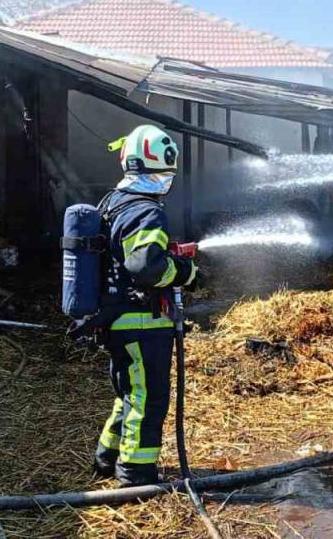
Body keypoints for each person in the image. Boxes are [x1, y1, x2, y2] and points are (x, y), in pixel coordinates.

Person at [91, 124, 198, 486]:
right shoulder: (147, 211)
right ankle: (136, 474)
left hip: (115, 317)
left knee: (129, 393)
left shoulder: (113, 203)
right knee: (149, 400)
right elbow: (145, 267)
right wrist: (184, 271)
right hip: (141, 321)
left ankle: (107, 457)